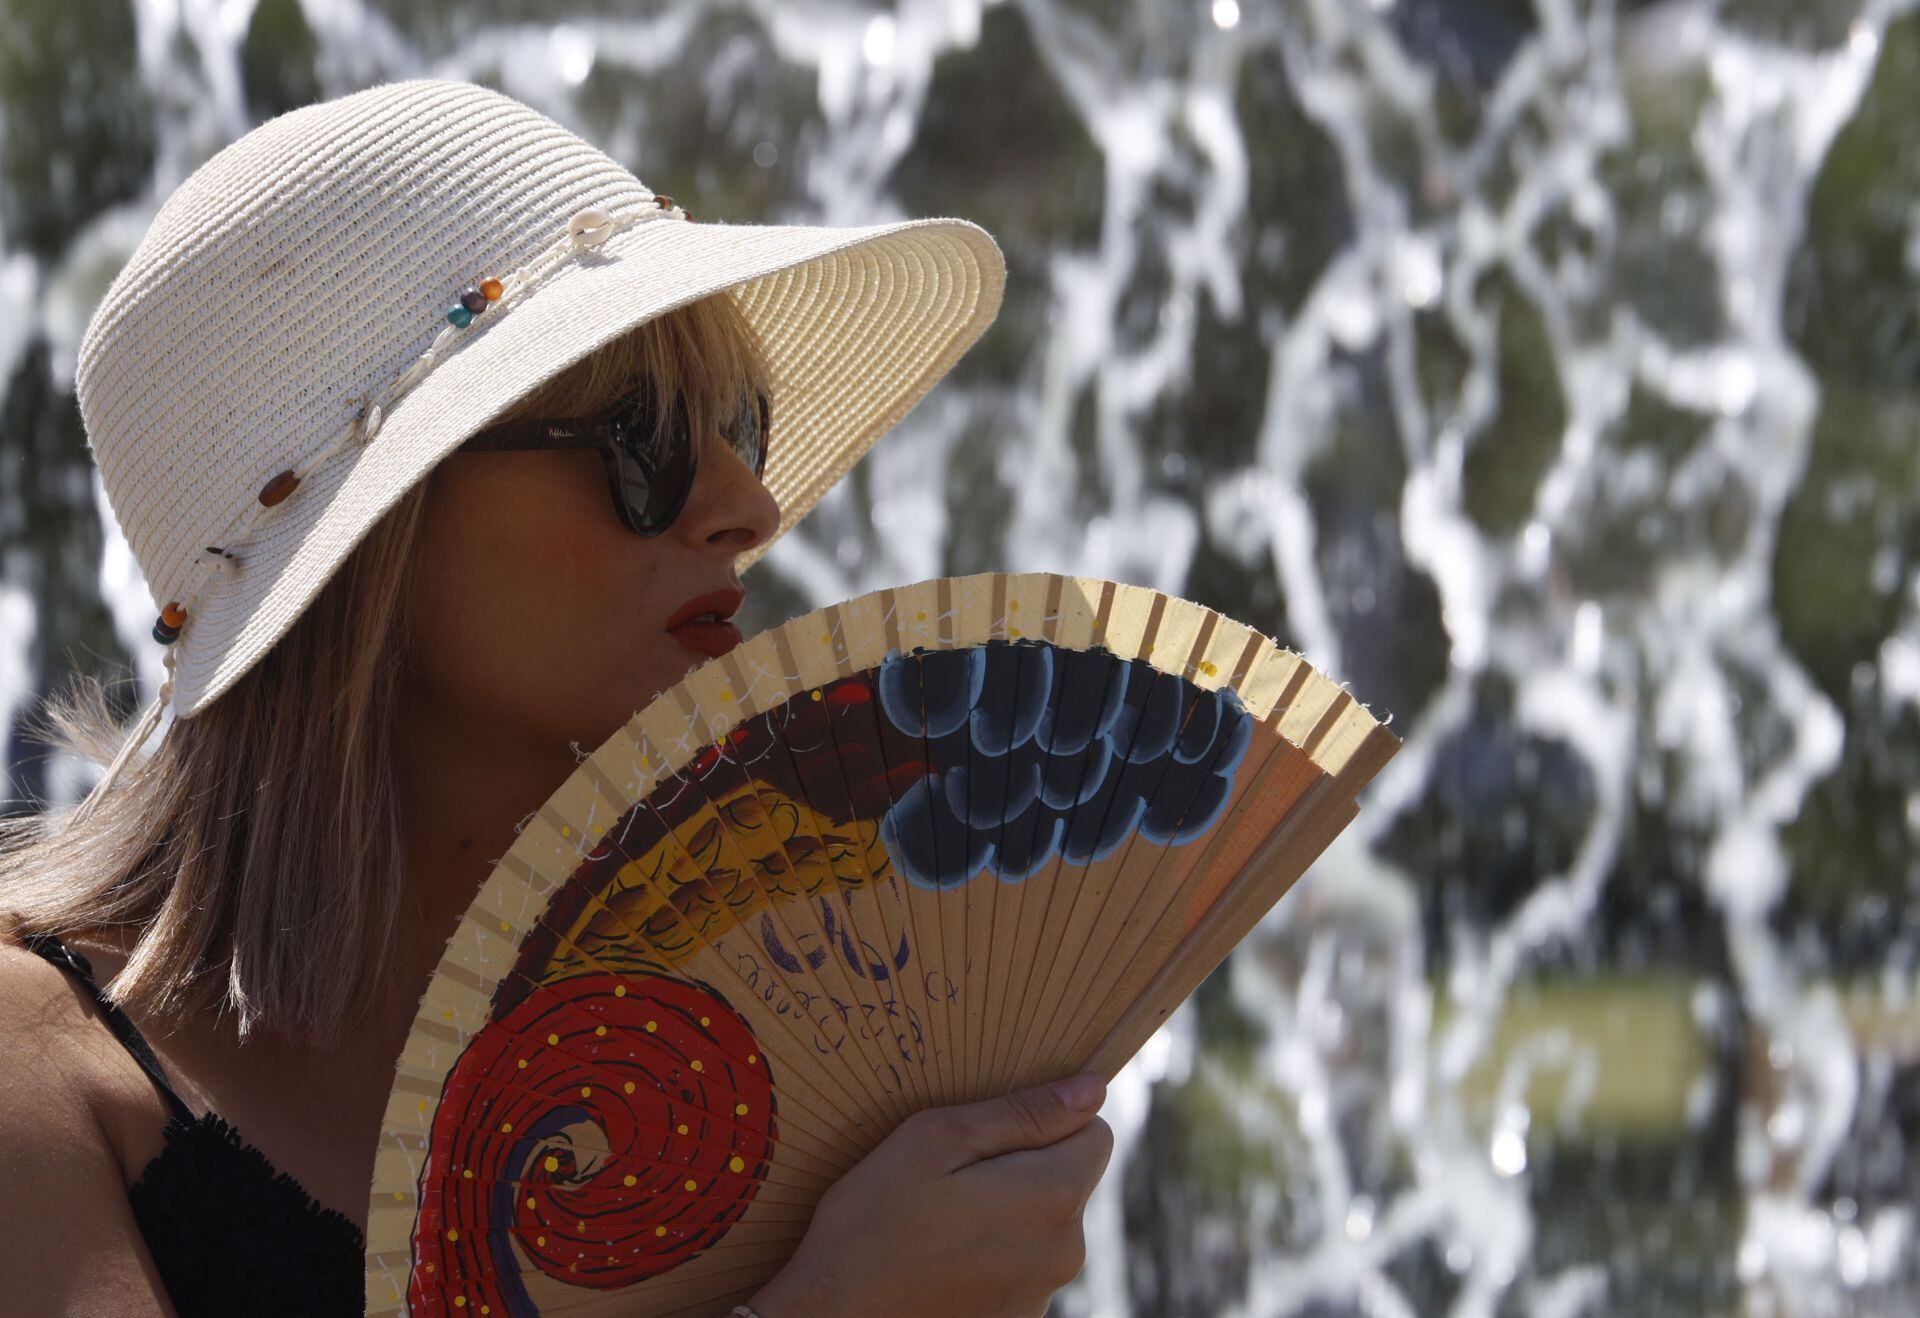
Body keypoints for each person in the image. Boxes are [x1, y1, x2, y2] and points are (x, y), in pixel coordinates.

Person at [0, 78, 1112, 1317]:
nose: (749, 506)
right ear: (377, 543)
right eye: (641, 438)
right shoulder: (35, 1064)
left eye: (738, 422)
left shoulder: (753, 1056)